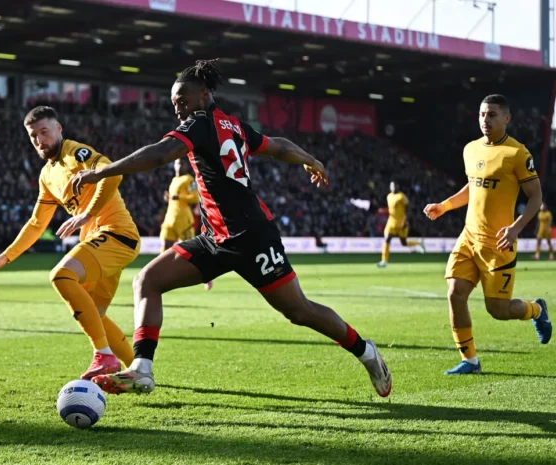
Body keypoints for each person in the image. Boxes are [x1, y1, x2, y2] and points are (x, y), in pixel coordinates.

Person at [71, 59, 392, 397]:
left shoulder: (199, 124)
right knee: (147, 281)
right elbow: (277, 145)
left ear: (204, 94)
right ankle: (141, 369)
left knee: (299, 311)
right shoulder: (234, 125)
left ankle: (365, 351)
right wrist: (309, 158)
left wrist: (98, 173)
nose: (178, 109)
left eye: (183, 100)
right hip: (216, 239)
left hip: (253, 236)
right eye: (173, 103)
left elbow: (159, 154)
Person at [0, 106, 140, 380]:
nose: (40, 140)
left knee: (62, 276)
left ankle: (103, 356)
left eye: (44, 132)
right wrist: (5, 257)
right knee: (94, 313)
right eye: (33, 136)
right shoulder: (47, 176)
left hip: (115, 234)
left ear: (59, 129)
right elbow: (37, 223)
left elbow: (112, 173)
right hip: (105, 242)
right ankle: (137, 369)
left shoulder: (75, 152)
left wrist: (87, 214)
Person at [424, 94, 551, 375]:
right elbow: (473, 187)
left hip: (499, 244)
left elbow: (535, 196)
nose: (485, 120)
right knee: (455, 293)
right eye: (482, 114)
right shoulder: (470, 149)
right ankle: (469, 360)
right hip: (469, 237)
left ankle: (537, 310)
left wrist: (516, 228)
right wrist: (444, 206)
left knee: (498, 310)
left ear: (507, 118)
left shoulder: (518, 154)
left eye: (492, 114)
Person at [160, 158, 213, 290]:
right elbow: (174, 199)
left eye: (181, 163)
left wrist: (179, 197)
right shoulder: (173, 180)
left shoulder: (189, 179)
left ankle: (207, 276)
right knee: (164, 247)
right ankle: (162, 275)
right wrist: (169, 198)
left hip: (184, 220)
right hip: (170, 218)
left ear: (185, 166)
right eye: (176, 163)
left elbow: (196, 197)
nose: (178, 166)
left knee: (195, 251)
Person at [377, 181, 425, 268]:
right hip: (391, 222)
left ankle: (418, 243)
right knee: (387, 239)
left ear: (397, 187)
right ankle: (384, 261)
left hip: (401, 223)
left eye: (395, 186)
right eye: (392, 186)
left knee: (404, 243)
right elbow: (392, 209)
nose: (393, 187)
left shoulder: (401, 196)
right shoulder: (389, 196)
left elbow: (408, 208)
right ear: (390, 187)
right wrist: (384, 210)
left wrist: (404, 220)